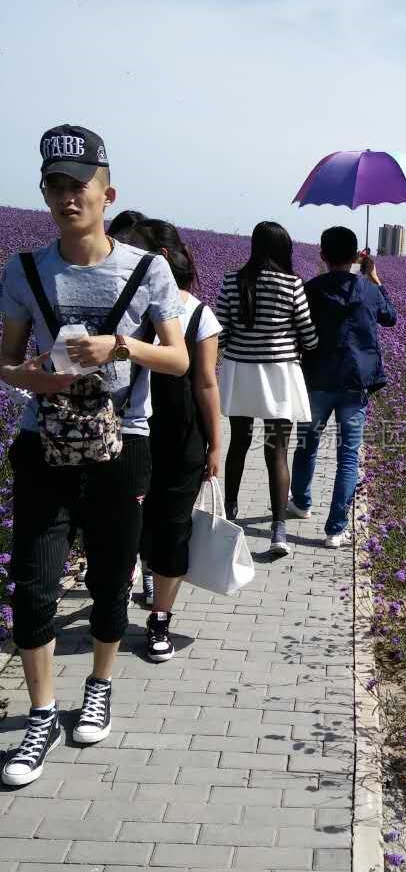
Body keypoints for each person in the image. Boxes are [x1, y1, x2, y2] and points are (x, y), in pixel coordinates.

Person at [0, 125, 188, 788]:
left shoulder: (148, 268)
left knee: (111, 577)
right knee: (34, 580)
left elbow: (180, 357)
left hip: (122, 444)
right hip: (42, 439)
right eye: (53, 184)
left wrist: (122, 348)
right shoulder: (23, 270)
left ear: (107, 193)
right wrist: (34, 378)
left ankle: (100, 685)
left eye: (77, 185)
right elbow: (6, 361)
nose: (65, 196)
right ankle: (42, 712)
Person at [109, 218, 222, 661]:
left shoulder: (197, 314)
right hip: (126, 432)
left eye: (137, 252)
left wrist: (216, 445)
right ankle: (137, 581)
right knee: (129, 524)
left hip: (180, 438)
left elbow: (207, 384)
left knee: (174, 529)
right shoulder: (122, 309)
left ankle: (160, 620)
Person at [289, 226, 397, 547]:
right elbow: (390, 317)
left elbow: (297, 327)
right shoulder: (368, 289)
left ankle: (301, 502)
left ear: (322, 255)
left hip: (318, 379)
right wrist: (374, 277)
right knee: (348, 456)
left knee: (307, 442)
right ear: (355, 257)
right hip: (355, 383)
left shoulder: (310, 289)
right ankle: (336, 529)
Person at [215, 221, 317, 557]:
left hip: (241, 372)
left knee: (239, 443)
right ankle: (278, 531)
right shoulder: (292, 284)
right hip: (279, 375)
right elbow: (308, 333)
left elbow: (222, 329)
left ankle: (228, 514)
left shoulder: (232, 279)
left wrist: (240, 348)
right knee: (277, 450)